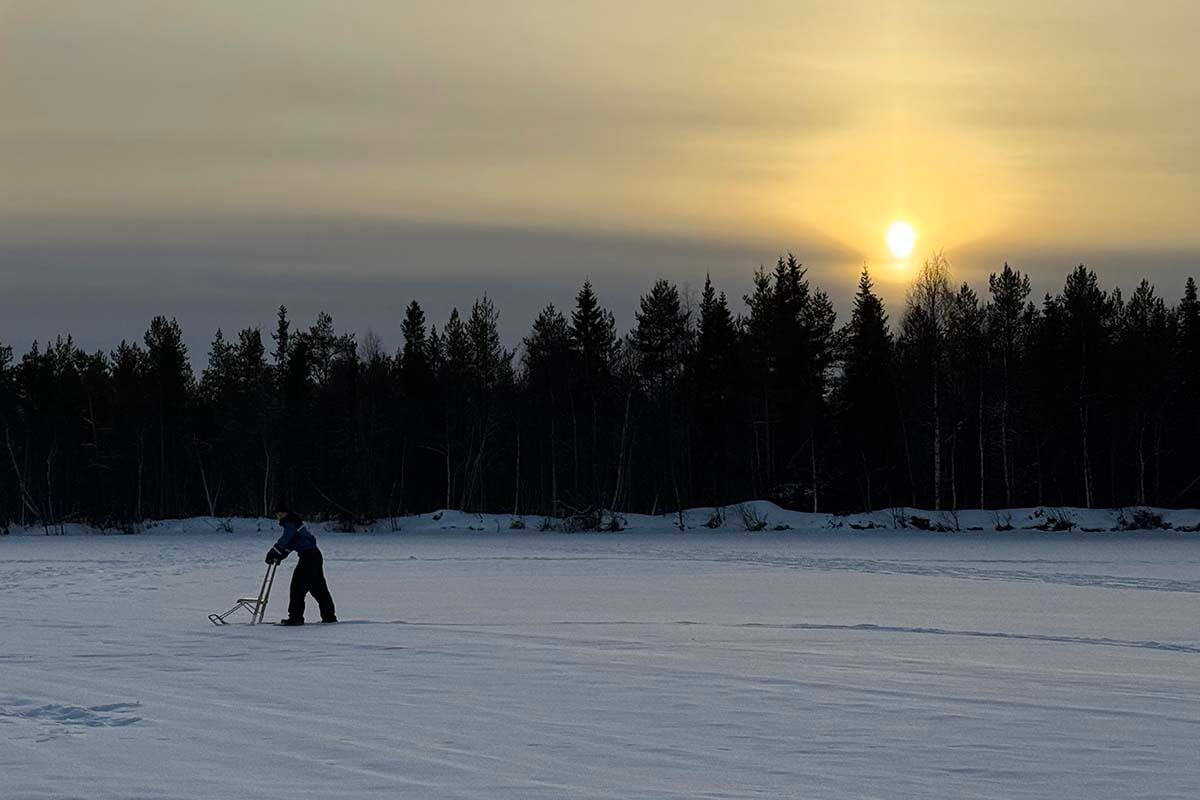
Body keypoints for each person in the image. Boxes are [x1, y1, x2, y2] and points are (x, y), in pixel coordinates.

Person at [266, 504, 337, 625]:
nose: (278, 516)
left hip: (308, 557)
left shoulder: (290, 523)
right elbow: (291, 544)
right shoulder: (295, 522)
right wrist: (280, 556)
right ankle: (329, 616)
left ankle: (295, 617)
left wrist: (273, 552)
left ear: (285, 514)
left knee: (297, 587)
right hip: (314, 556)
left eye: (279, 513)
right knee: (318, 587)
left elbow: (286, 539)